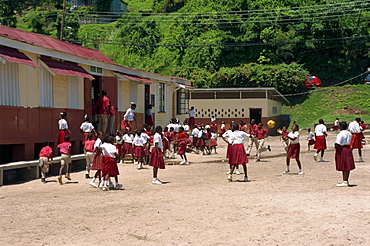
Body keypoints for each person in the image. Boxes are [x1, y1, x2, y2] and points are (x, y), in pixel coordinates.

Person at [334, 121, 356, 187]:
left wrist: (335, 146)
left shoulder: (340, 134)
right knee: (347, 164)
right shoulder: (349, 133)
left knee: (343, 164)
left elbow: (338, 142)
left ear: (340, 127)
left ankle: (344, 181)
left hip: (342, 149)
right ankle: (346, 180)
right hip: (348, 148)